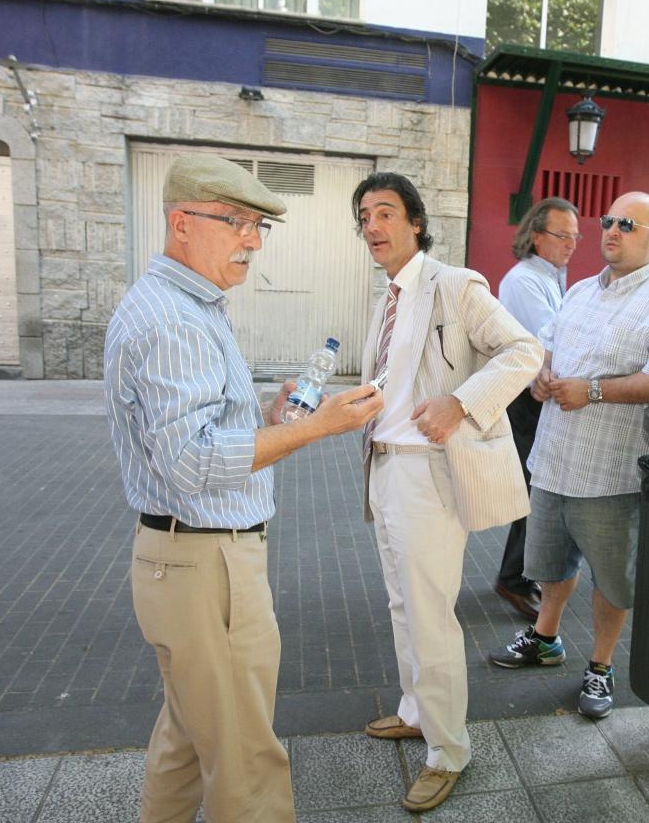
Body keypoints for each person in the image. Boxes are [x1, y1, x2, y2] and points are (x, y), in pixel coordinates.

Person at [103, 153, 383, 823]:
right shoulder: (173, 319)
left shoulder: (184, 304)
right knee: (246, 761)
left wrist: (263, 411)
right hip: (207, 565)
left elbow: (188, 430)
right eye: (235, 221)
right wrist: (317, 430)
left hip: (188, 560)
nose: (253, 240)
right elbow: (194, 464)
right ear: (180, 224)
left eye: (259, 225)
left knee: (187, 738)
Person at [353, 172, 542, 813]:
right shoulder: (383, 297)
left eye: (384, 213)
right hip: (384, 466)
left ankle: (448, 751)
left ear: (414, 222)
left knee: (430, 614)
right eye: (363, 216)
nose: (372, 226)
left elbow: (524, 351)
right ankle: (416, 711)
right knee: (402, 605)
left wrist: (460, 403)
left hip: (428, 475)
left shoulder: (453, 285)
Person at [488, 191, 649, 721]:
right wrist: (541, 375)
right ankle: (545, 639)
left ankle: (602, 666)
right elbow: (547, 346)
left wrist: (596, 390)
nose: (611, 230)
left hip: (612, 469)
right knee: (551, 566)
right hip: (556, 458)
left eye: (628, 224)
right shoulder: (580, 291)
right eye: (608, 220)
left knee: (612, 579)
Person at [493, 197, 581, 621]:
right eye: (562, 235)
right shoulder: (524, 280)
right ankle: (513, 580)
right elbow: (549, 342)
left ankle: (519, 576)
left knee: (535, 488)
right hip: (525, 400)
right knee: (533, 490)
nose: (571, 244)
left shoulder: (553, 277)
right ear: (536, 235)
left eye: (575, 236)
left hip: (538, 395)